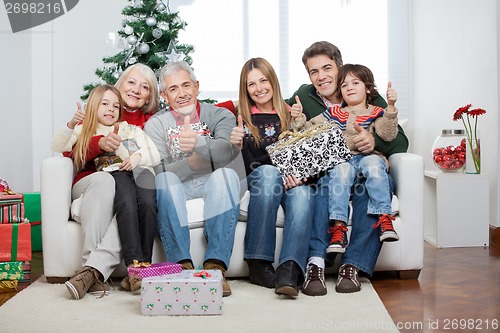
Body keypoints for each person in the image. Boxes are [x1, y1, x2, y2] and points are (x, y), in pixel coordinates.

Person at [287, 41, 409, 296]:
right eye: (313, 71)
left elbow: (400, 140)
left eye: (327, 68)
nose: (321, 77)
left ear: (339, 67)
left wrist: (374, 141)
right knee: (323, 186)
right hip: (332, 172)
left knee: (373, 187)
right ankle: (316, 263)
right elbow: (278, 114)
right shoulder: (304, 95)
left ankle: (352, 265)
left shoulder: (364, 92)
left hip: (365, 169)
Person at [51, 84, 159, 299]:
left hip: (126, 179)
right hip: (96, 182)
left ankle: (102, 271)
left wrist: (134, 155)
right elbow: (60, 148)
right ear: (93, 106)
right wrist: (77, 128)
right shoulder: (83, 129)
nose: (111, 109)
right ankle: (112, 268)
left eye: (116, 106)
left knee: (138, 203)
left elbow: (151, 153)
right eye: (105, 104)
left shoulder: (127, 129)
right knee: (113, 187)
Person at [144, 60, 241, 297]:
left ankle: (216, 265)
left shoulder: (220, 114)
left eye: (186, 85)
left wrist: (199, 143)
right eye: (173, 89)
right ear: (165, 95)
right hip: (178, 187)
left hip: (214, 183)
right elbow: (159, 169)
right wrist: (192, 163)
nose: (182, 94)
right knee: (165, 180)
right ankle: (180, 265)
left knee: (226, 175)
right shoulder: (155, 124)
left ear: (196, 87)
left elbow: (226, 152)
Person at [230, 57, 314, 297]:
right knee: (268, 173)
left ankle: (290, 269)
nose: (259, 89)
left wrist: (298, 175)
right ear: (244, 90)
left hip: (288, 179)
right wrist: (233, 141)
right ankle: (258, 262)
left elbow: (304, 153)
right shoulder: (241, 116)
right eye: (251, 84)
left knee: (303, 194)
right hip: (259, 178)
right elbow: (209, 107)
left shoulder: (291, 114)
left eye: (263, 81)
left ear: (273, 82)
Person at [309, 64, 399, 255]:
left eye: (355, 83)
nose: (349, 87)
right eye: (344, 85)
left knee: (374, 164)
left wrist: (390, 107)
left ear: (367, 88)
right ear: (340, 92)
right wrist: (298, 118)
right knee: (340, 171)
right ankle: (339, 228)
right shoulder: (334, 114)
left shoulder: (376, 112)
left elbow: (388, 134)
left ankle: (384, 218)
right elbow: (310, 128)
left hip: (368, 158)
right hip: (345, 161)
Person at [113, 63, 161, 292]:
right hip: (117, 171)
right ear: (120, 84)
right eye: (131, 82)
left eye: (144, 87)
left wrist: (234, 104)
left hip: (143, 170)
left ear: (149, 95)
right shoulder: (107, 110)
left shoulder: (153, 121)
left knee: (149, 201)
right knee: (127, 201)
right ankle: (134, 268)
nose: (136, 90)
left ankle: (145, 265)